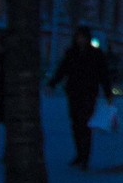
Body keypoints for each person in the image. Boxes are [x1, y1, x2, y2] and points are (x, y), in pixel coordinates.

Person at [47, 25, 114, 170]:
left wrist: (108, 92)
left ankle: (85, 156)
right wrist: (52, 83)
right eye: (78, 37)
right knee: (76, 124)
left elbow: (104, 75)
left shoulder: (96, 54)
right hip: (74, 92)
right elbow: (62, 69)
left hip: (89, 93)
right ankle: (79, 154)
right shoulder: (71, 53)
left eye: (82, 37)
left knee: (85, 124)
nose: (80, 40)